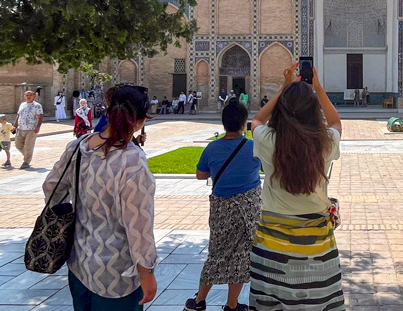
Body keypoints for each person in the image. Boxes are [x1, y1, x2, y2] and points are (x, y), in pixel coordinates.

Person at [43, 85, 158, 310]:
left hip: (79, 262)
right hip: (118, 273)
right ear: (141, 120)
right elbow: (138, 224)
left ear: (108, 112)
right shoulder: (132, 161)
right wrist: (146, 272)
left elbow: (51, 188)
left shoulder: (78, 147)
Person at [249, 63, 345, 310]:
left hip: (271, 248)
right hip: (316, 251)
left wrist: (284, 89)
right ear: (314, 110)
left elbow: (258, 119)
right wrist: (319, 90)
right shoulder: (323, 142)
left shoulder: (269, 140)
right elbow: (336, 123)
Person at [185, 100, 261, 311]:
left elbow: (201, 175)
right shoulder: (253, 148)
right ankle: (232, 304)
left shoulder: (213, 147)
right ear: (244, 123)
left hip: (221, 210)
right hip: (248, 211)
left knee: (216, 254)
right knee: (240, 257)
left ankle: (199, 300)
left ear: (224, 123)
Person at [14, 90, 43, 169]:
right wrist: (15, 125)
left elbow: (40, 117)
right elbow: (18, 115)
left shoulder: (37, 106)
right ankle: (27, 155)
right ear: (24, 96)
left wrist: (38, 127)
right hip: (20, 128)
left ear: (34, 96)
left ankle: (26, 161)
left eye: (30, 95)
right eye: (27, 95)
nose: (28, 96)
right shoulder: (22, 104)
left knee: (28, 146)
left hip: (31, 129)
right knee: (17, 144)